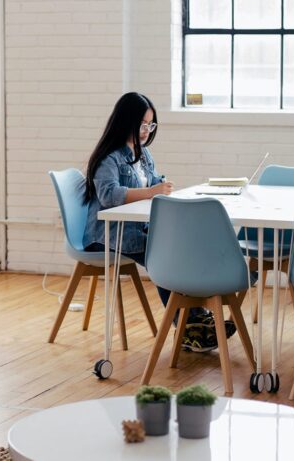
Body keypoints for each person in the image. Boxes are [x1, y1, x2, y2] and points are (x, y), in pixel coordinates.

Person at [82, 91, 234, 352]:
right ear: (125, 120)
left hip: (137, 228)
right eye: (142, 124)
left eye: (150, 125)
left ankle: (195, 320)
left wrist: (159, 186)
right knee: (165, 254)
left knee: (179, 245)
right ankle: (188, 326)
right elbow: (108, 195)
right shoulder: (109, 157)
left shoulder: (143, 154)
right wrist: (151, 192)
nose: (146, 131)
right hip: (108, 235)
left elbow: (151, 183)